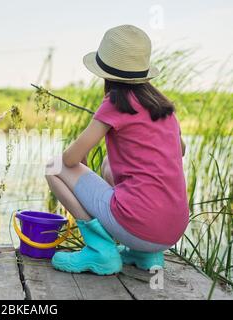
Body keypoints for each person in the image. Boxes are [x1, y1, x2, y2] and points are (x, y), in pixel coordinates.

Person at [45, 25, 189, 275]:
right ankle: (145, 255)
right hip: (172, 231)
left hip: (139, 226)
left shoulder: (114, 103)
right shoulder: (163, 106)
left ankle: (100, 250)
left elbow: (70, 159)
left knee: (53, 167)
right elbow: (181, 150)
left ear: (105, 73)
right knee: (109, 167)